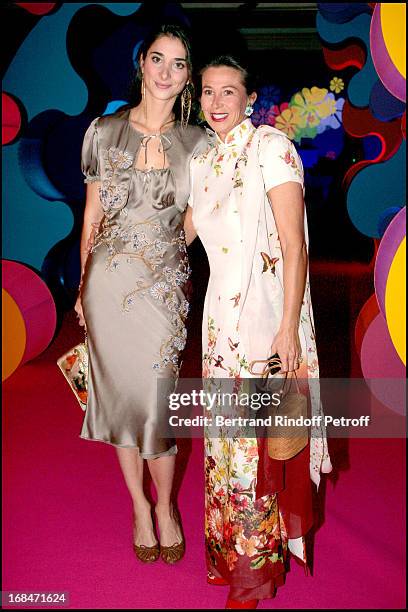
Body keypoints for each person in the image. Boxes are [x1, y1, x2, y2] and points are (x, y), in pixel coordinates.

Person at [184, 55, 332, 608]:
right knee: (225, 450)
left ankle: (253, 578)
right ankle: (231, 560)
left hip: (267, 325)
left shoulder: (270, 148)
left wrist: (288, 329)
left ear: (249, 99)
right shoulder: (205, 161)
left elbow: (296, 246)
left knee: (257, 454)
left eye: (229, 92)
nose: (217, 103)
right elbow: (180, 234)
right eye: (208, 92)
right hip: (219, 328)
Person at [74, 24, 208, 565]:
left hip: (164, 288)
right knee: (120, 401)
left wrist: (167, 248)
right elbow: (91, 220)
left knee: (156, 404)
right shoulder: (104, 133)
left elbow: (202, 218)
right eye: (158, 58)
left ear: (187, 77)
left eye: (178, 64)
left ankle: (166, 507)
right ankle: (138, 506)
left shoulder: (198, 142)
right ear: (142, 63)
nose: (165, 71)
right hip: (107, 283)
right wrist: (83, 290)